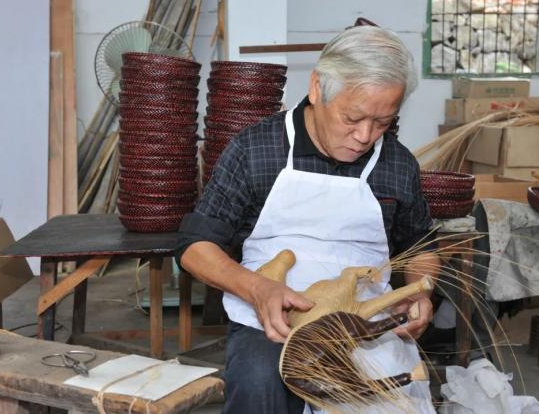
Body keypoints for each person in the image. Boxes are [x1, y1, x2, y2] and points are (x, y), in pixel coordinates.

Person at [176, 26, 440, 414]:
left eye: (382, 122)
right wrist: (257, 289)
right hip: (271, 317)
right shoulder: (256, 149)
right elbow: (195, 246)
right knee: (259, 380)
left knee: (387, 394)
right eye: (352, 117)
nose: (365, 135)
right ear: (317, 88)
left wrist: (419, 294)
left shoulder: (397, 164)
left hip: (361, 318)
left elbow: (420, 246)